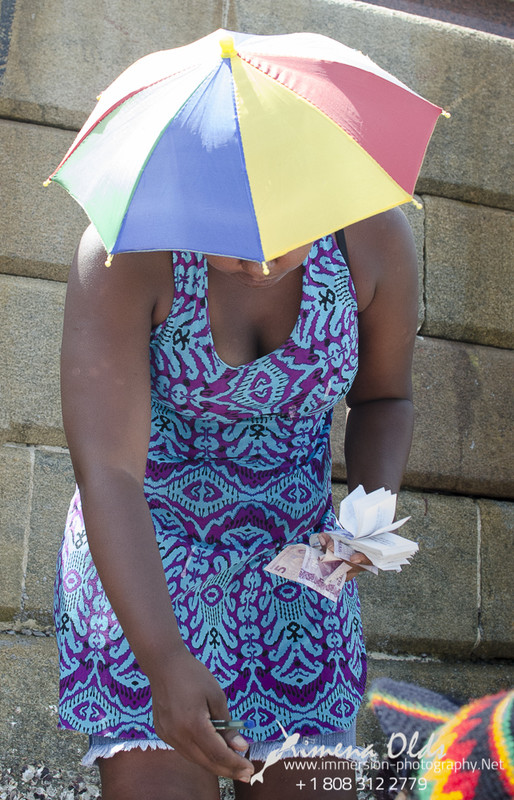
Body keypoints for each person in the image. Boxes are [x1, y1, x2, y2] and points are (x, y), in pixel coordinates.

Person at [54, 203, 418, 799]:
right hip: (147, 564)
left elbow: (385, 398)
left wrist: (366, 522)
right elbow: (108, 474)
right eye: (234, 237)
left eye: (285, 232)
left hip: (298, 570)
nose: (259, 264)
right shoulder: (128, 251)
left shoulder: (371, 240)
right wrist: (163, 658)